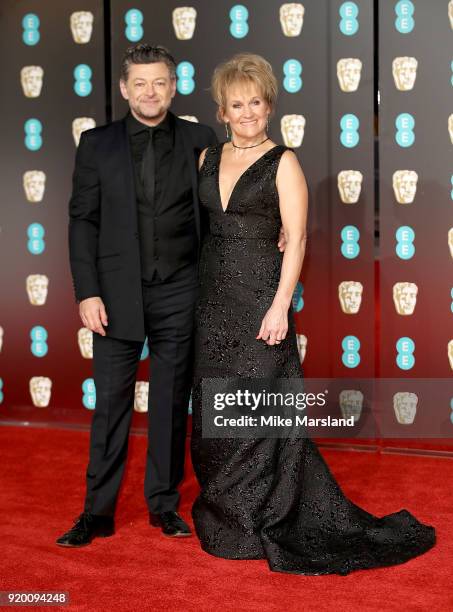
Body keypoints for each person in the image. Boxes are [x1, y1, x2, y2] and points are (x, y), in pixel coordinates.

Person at [190, 53, 436, 575]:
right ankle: (226, 517)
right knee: (215, 412)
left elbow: (297, 239)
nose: (248, 111)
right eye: (238, 103)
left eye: (256, 101)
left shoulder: (284, 162)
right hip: (212, 303)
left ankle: (261, 519)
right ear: (223, 110)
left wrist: (281, 305)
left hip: (262, 298)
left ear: (269, 105)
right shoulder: (206, 159)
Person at [57, 44, 218, 547]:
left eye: (160, 82)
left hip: (180, 289)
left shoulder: (201, 139)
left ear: (173, 87)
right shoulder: (96, 144)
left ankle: (164, 506)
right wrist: (88, 293)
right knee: (110, 406)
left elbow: (219, 210)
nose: (150, 92)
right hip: (115, 294)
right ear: (125, 89)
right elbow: (82, 220)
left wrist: (273, 230)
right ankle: (97, 514)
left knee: (171, 404)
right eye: (140, 83)